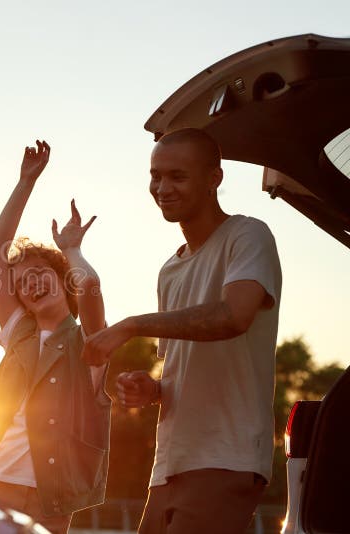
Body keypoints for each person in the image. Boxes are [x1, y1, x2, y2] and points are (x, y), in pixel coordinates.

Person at [83, 128, 282, 534]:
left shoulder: (248, 235)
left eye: (178, 176)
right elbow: (180, 370)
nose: (162, 187)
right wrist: (151, 390)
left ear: (214, 179)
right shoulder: (169, 271)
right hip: (169, 466)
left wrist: (132, 325)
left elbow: (233, 316)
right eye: (156, 176)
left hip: (226, 457)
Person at [0, 141, 111, 534]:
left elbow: (90, 285)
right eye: (22, 281)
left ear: (62, 279)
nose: (30, 282)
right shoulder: (19, 333)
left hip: (50, 499)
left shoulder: (88, 343)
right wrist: (26, 181)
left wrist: (73, 249)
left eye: (40, 271)